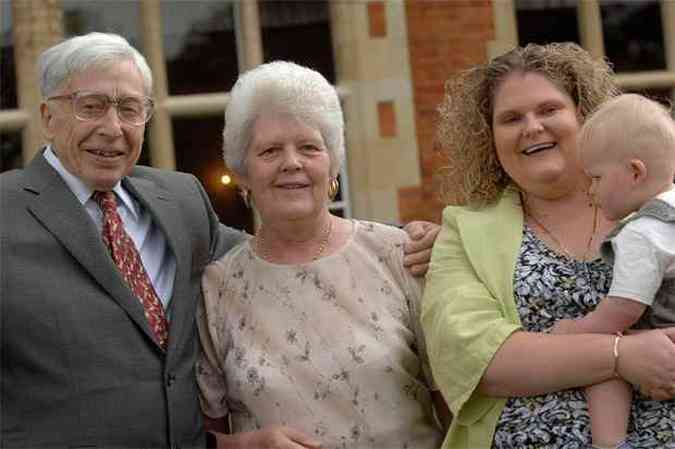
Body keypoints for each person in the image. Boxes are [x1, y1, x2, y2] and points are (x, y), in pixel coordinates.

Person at [0, 33, 438, 448]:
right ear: (47, 116)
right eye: (91, 106)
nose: (113, 127)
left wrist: (409, 239)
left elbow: (282, 247)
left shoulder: (179, 202)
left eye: (130, 109)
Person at [421, 42, 675, 449]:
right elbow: (478, 357)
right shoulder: (464, 231)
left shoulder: (656, 206)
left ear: (584, 116)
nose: (532, 127)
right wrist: (619, 356)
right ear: (490, 138)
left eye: (548, 110)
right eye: (510, 118)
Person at [196, 60, 450, 449]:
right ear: (242, 174)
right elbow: (201, 436)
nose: (292, 162)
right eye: (269, 151)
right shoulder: (217, 288)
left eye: (309, 147)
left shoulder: (400, 255)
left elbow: (456, 407)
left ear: (333, 164)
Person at [551, 93, 675, 449]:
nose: (590, 191)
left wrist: (579, 329)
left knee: (606, 358)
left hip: (666, 337)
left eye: (596, 178)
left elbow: (624, 307)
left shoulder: (642, 232)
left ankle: (610, 442)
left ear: (635, 172)